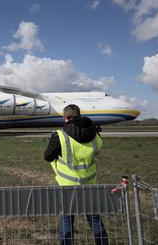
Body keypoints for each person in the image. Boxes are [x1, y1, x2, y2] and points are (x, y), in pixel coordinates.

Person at [44, 104, 108, 245]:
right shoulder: (96, 134)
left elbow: (48, 157)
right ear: (79, 116)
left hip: (67, 186)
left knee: (67, 220)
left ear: (66, 118)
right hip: (89, 185)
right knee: (95, 219)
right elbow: (96, 150)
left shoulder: (59, 135)